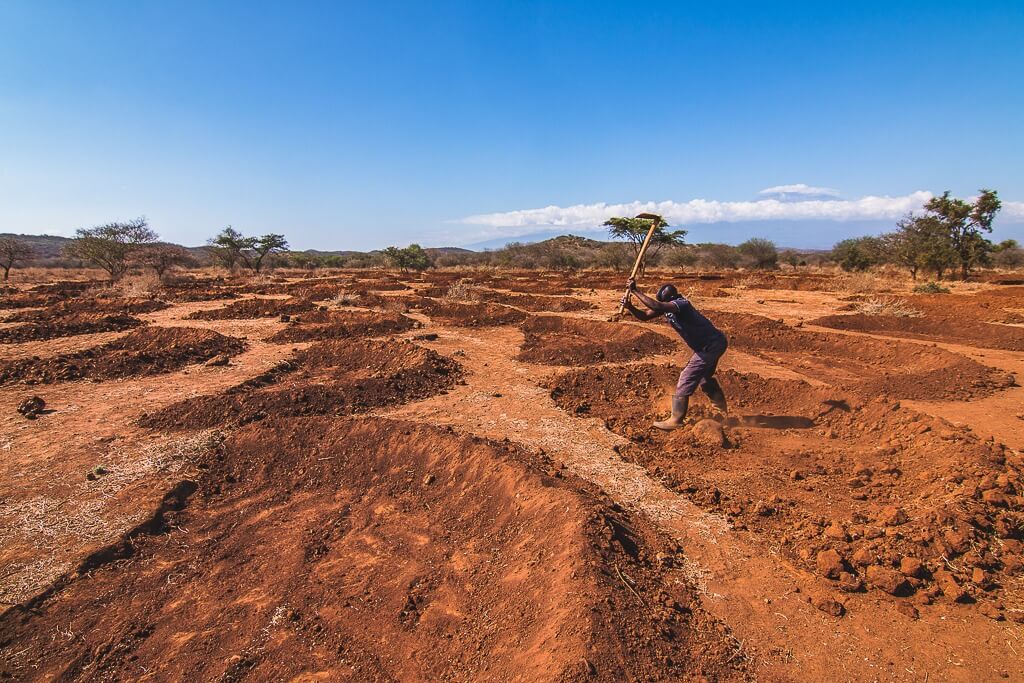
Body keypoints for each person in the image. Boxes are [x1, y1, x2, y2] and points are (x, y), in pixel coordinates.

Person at [620, 280, 728, 430]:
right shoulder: (667, 306)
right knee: (704, 378)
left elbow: (657, 306)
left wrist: (635, 291)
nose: (662, 304)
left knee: (686, 376)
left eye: (664, 302)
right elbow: (645, 315)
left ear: (671, 298)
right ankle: (721, 412)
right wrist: (630, 307)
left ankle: (676, 420)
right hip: (711, 345)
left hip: (711, 345)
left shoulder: (681, 304)